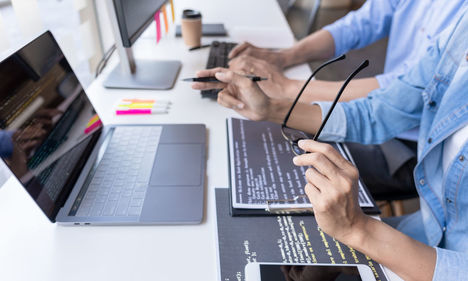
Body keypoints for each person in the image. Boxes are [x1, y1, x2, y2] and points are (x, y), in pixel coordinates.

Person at [193, 8, 468, 281]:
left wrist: (358, 230)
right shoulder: (462, 28)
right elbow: (382, 108)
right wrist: (271, 108)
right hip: (421, 233)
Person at [193, 0, 468, 201]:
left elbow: (400, 93)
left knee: (273, 169)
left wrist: (287, 88)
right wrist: (283, 61)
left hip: (410, 146)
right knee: (259, 146)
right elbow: (362, 23)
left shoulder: (461, 22)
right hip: (381, 114)